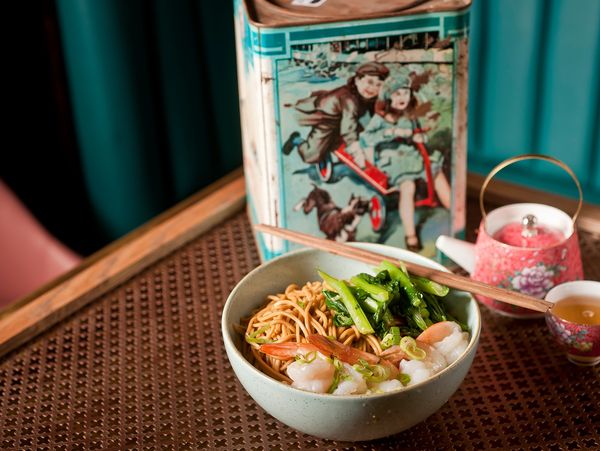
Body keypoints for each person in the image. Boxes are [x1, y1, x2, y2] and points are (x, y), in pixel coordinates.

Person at [360, 75, 451, 251]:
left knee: (437, 174)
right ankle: (411, 235)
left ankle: (455, 215)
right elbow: (366, 139)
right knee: (408, 186)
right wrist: (392, 132)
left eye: (405, 93)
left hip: (412, 155)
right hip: (392, 160)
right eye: (397, 94)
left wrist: (419, 136)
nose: (402, 98)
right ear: (388, 97)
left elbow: (417, 133)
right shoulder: (380, 119)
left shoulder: (409, 116)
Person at [282, 62, 390, 164]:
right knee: (311, 156)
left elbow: (375, 114)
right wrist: (355, 149)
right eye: (370, 82)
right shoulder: (348, 99)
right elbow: (348, 126)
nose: (373, 88)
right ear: (357, 80)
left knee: (364, 136)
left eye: (379, 85)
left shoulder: (368, 95)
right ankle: (296, 140)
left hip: (346, 119)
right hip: (327, 119)